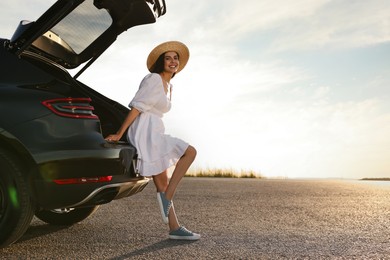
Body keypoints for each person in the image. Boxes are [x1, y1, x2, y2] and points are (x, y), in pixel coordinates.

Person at [105, 41, 200, 241]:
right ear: (161, 62)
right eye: (168, 58)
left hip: (155, 128)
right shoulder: (154, 79)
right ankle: (169, 197)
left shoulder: (168, 85)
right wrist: (120, 133)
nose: (173, 61)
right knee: (190, 152)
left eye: (176, 58)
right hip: (146, 131)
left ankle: (174, 228)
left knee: (163, 184)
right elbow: (137, 107)